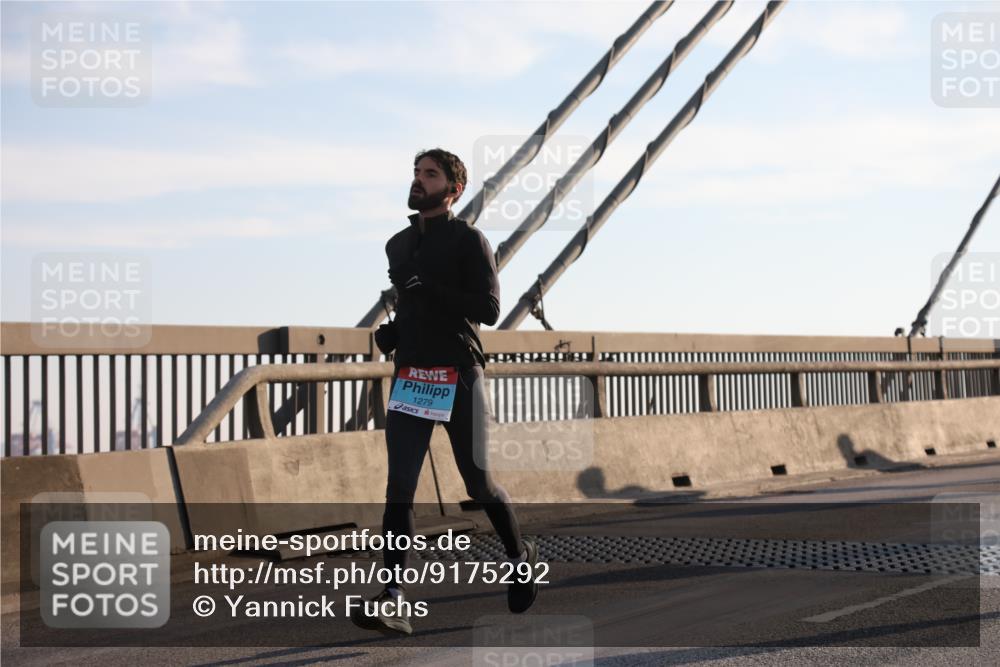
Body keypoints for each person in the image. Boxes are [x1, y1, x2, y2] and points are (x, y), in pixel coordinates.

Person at [350, 148, 538, 637]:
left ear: (452, 190)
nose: (418, 180)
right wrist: (395, 332)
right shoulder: (397, 245)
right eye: (416, 172)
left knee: (478, 485)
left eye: (429, 175)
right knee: (400, 488)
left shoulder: (469, 241)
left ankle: (520, 558)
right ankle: (393, 596)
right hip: (414, 374)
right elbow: (413, 304)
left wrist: (428, 288)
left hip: (459, 373)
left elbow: (489, 309)